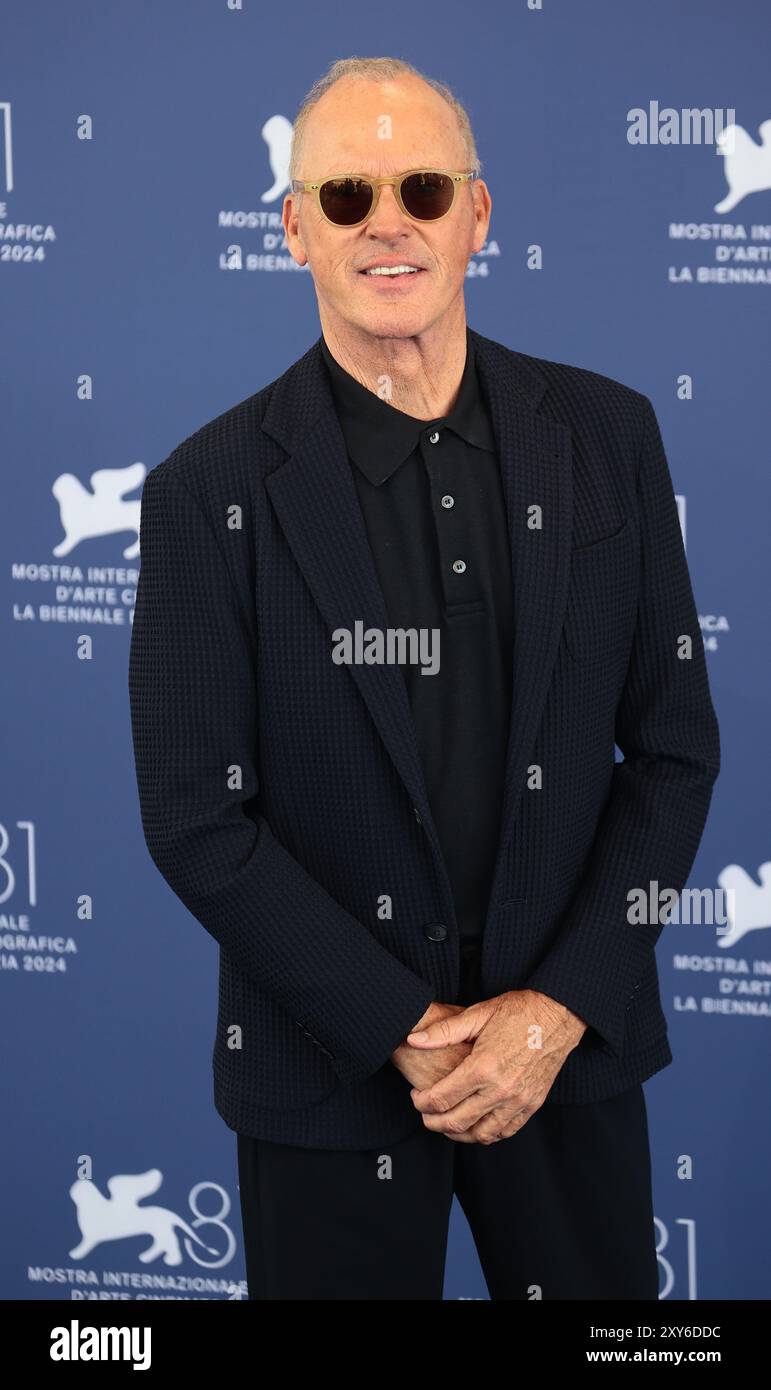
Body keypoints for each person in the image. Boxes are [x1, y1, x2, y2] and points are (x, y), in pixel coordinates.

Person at [128, 56, 720, 1300]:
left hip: (569, 1061)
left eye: (423, 188)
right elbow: (195, 815)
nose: (386, 221)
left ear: (479, 215)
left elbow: (672, 753)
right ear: (294, 228)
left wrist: (550, 1014)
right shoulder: (208, 488)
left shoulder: (609, 436)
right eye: (344, 194)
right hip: (329, 1077)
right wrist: (405, 1028)